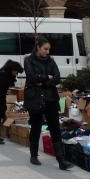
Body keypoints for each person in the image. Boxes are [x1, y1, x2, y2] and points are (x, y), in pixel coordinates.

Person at [24, 36, 73, 170]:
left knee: (55, 128)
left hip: (50, 98)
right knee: (36, 126)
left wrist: (43, 81)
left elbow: (57, 78)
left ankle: (61, 160)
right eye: (45, 49)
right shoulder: (28, 60)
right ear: (38, 48)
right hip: (35, 99)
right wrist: (47, 77)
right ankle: (33, 155)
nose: (47, 52)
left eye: (49, 49)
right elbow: (31, 77)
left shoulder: (51, 61)